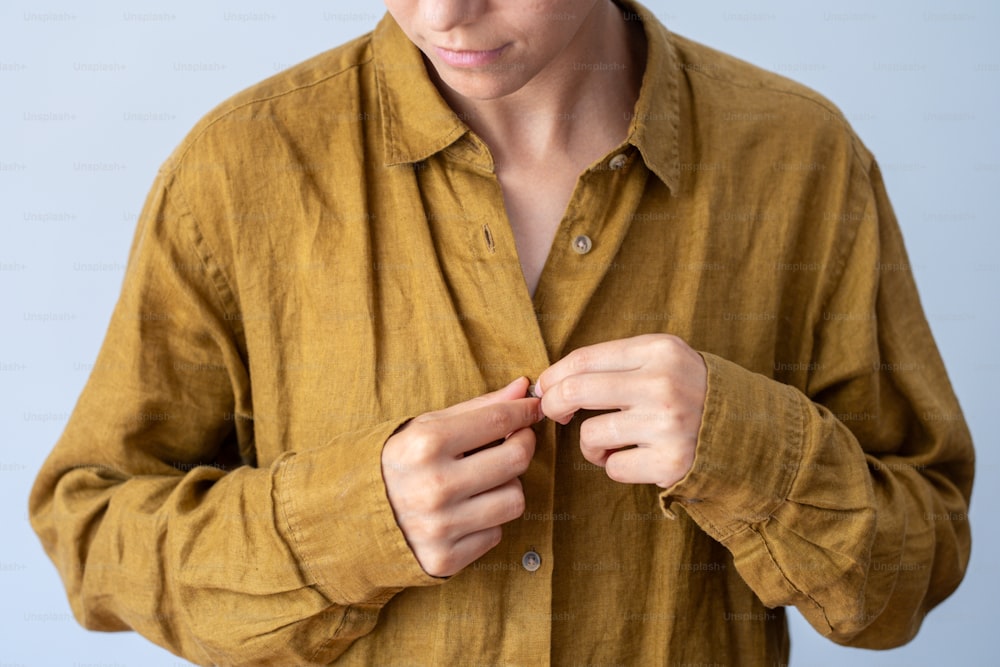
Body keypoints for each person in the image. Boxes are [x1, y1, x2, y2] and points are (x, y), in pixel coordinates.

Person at [30, 0, 974, 664]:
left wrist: (744, 449)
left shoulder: (802, 160)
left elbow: (912, 571)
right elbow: (93, 532)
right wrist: (348, 524)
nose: (443, 14)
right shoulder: (239, 171)